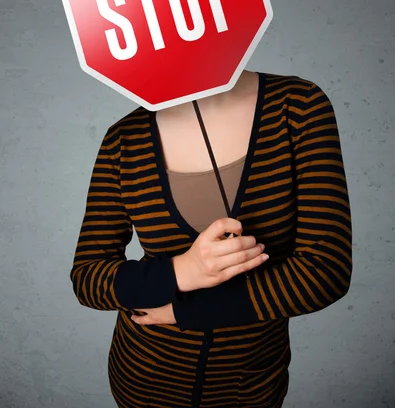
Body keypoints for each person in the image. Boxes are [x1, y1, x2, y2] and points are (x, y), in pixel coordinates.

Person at [69, 68, 353, 408]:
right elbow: (87, 277)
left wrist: (186, 310)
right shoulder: (123, 139)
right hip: (142, 380)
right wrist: (182, 271)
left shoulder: (298, 106)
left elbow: (326, 270)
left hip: (250, 385)